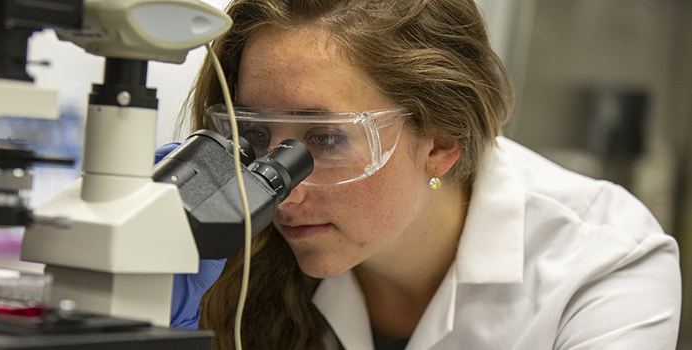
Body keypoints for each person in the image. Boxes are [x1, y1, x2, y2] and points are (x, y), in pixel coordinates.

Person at [171, 0, 682, 349]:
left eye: (326, 139)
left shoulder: (605, 263)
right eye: (256, 137)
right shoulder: (236, 260)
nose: (279, 192)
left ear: (441, 143)